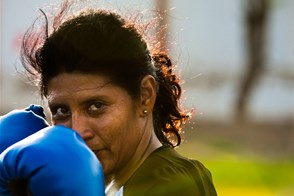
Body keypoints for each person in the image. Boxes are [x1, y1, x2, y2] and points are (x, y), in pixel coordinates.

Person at [20, 0, 217, 195]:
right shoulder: (111, 185)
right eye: (62, 111)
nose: (78, 131)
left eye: (96, 106)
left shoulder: (172, 185)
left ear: (145, 97)